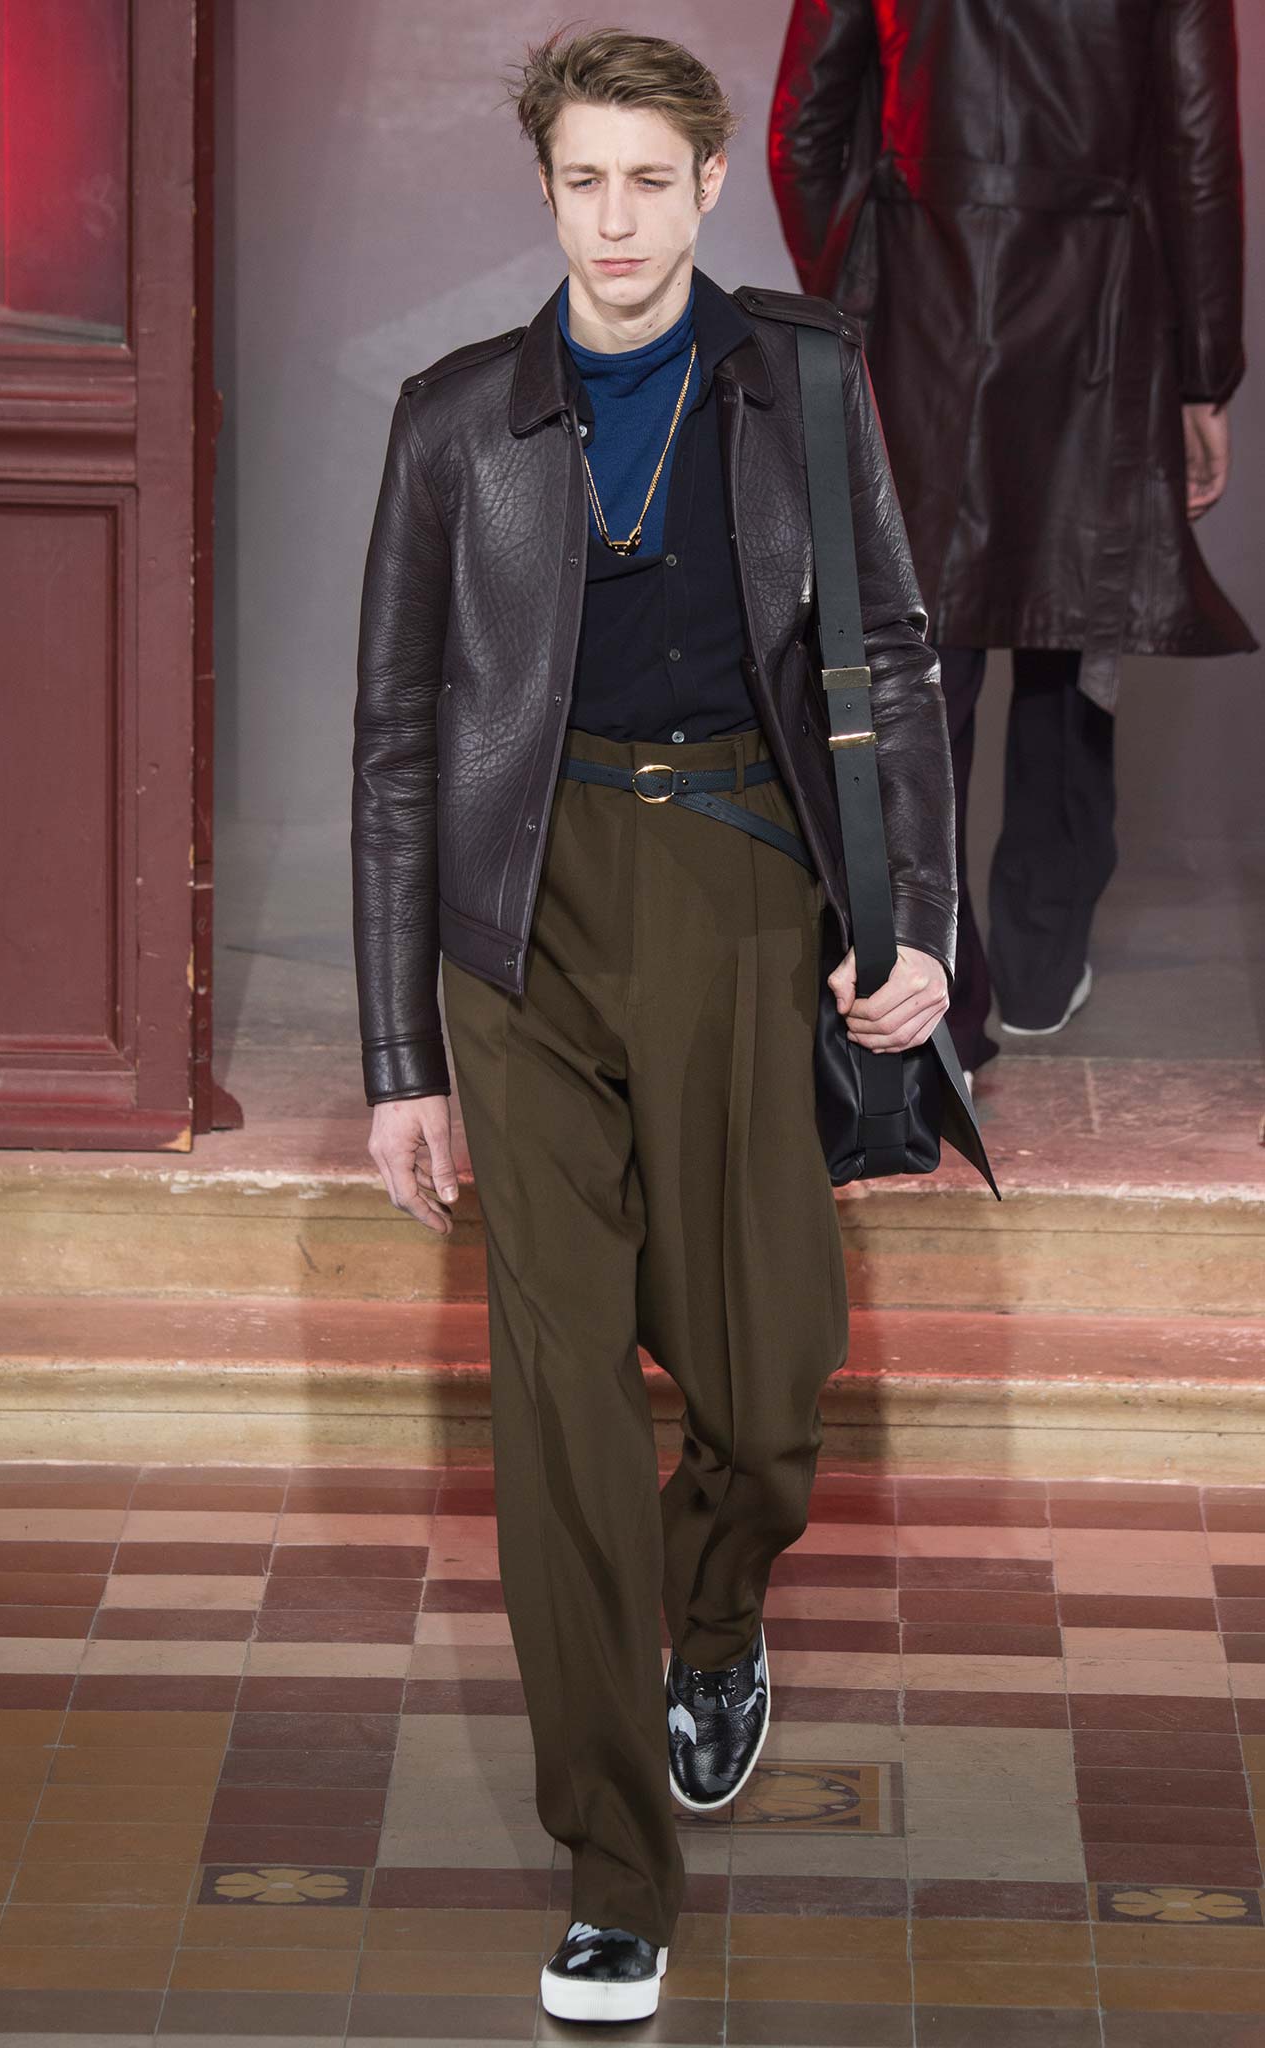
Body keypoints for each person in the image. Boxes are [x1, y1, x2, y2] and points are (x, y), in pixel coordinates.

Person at [351, 26, 956, 2024]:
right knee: (559, 1410)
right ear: (545, 193)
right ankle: (614, 1868)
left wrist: (918, 924)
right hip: (517, 928)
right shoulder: (454, 423)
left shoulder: (803, 380)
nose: (613, 220)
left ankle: (715, 1614)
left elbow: (890, 653)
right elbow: (396, 743)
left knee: (766, 1392)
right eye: (580, 182)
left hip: (740, 892)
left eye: (647, 181)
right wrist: (399, 1062)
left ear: (706, 189)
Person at [770, 0, 1256, 1078]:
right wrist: (1203, 373)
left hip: (922, 297)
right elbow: (1198, 149)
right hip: (1102, 306)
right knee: (1071, 629)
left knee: (917, 654)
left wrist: (851, 290)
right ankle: (1039, 962)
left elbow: (802, 127)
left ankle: (937, 981)